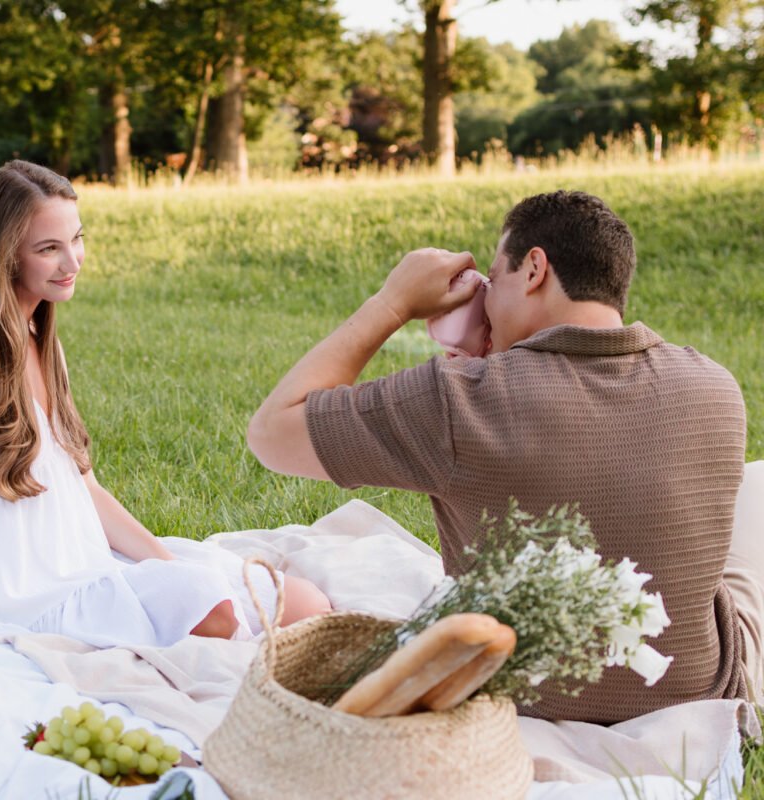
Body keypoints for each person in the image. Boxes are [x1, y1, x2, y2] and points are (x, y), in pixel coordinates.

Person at [246, 190, 760, 724]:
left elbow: (270, 431)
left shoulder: (459, 399)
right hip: (692, 692)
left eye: (494, 279)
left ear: (534, 268)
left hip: (514, 698)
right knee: (756, 483)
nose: (485, 300)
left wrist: (392, 302)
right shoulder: (715, 388)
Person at [0, 160, 330, 652]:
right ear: (5, 256)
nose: (72, 262)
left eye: (76, 240)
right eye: (49, 249)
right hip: (8, 587)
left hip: (75, 556)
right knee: (216, 617)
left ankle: (173, 588)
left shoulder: (40, 338)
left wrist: (167, 566)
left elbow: (85, 487)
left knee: (303, 603)